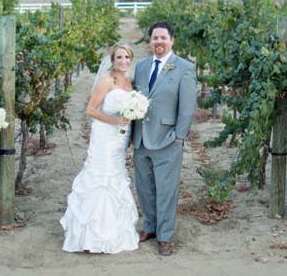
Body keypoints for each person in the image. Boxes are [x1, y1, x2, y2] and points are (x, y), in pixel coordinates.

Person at [61, 43, 140, 254]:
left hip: (121, 138)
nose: (123, 61)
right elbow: (90, 110)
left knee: (116, 175)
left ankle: (115, 231)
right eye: (119, 58)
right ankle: (92, 235)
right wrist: (114, 121)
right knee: (100, 177)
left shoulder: (130, 82)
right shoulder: (107, 81)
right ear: (112, 61)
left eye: (127, 57)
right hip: (105, 136)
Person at [132, 22, 197, 257]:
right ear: (150, 41)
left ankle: (166, 236)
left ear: (172, 40)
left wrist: (179, 137)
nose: (158, 42)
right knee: (145, 188)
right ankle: (150, 227)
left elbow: (188, 108)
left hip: (167, 139)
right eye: (155, 38)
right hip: (140, 139)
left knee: (166, 190)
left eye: (163, 38)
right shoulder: (140, 66)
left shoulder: (184, 68)